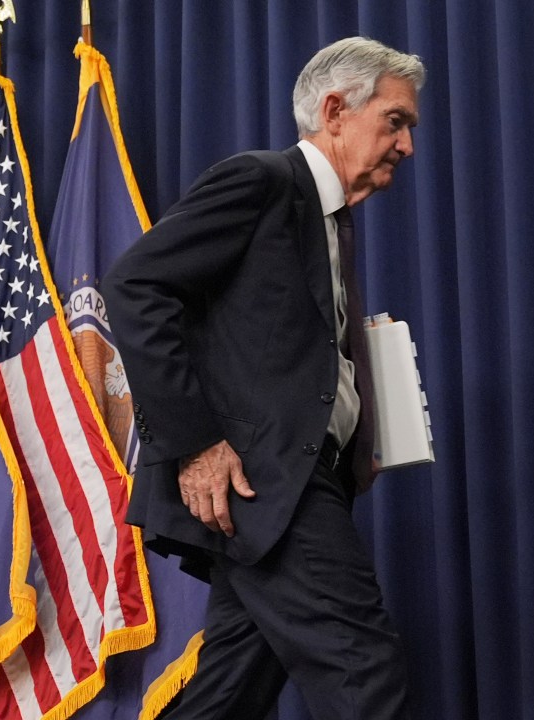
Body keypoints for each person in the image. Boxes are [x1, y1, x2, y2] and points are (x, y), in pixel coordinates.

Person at [102, 37, 424, 720]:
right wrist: (196, 443)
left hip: (292, 480)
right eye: (396, 121)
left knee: (229, 694)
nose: (407, 146)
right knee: (362, 667)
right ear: (336, 110)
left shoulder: (331, 221)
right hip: (263, 479)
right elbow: (135, 285)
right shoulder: (263, 181)